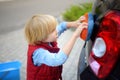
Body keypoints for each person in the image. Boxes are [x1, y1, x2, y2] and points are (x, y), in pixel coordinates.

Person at [24, 14, 87, 80]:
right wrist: (75, 35)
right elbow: (58, 59)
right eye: (53, 30)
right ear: (42, 36)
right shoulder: (38, 53)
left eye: (55, 28)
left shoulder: (47, 38)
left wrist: (74, 23)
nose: (56, 31)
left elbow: (62, 26)